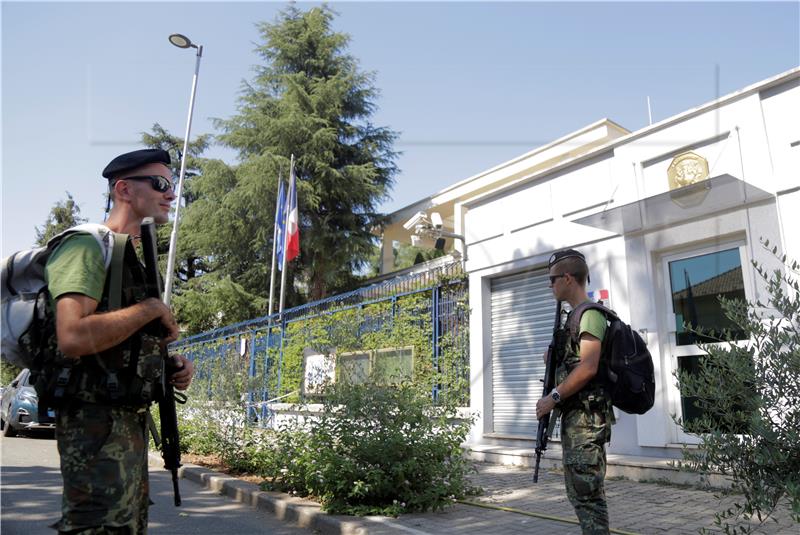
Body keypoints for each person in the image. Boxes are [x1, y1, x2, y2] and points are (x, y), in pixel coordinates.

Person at [45, 148, 194, 534]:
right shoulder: (86, 246)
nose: (171, 194)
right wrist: (149, 309)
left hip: (125, 426)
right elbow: (73, 335)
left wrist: (169, 365)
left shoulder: (130, 258)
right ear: (124, 189)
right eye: (160, 183)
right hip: (95, 427)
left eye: (172, 184)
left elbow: (120, 344)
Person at [535, 248, 614, 535]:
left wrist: (552, 398)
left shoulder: (589, 315)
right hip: (578, 420)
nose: (550, 285)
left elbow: (589, 367)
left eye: (553, 279)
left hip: (586, 422)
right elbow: (577, 363)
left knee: (588, 496)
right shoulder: (574, 317)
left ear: (567, 278)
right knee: (579, 495)